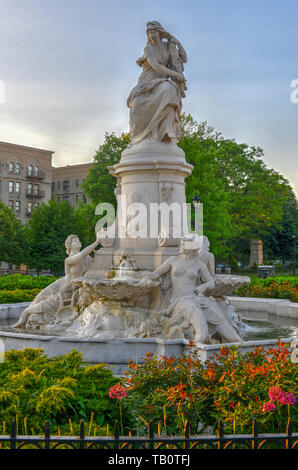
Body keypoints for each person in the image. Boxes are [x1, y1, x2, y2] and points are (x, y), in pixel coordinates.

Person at [144, 238, 242, 343]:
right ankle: (196, 347)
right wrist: (146, 279)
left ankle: (239, 343)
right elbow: (156, 273)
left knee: (215, 313)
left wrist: (202, 287)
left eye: (184, 244)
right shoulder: (173, 260)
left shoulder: (198, 264)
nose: (181, 246)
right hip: (179, 301)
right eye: (181, 243)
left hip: (196, 298)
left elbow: (211, 282)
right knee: (200, 329)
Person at [13, 234, 102, 328]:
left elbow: (93, 272)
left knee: (42, 304)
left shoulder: (87, 259)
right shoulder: (68, 260)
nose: (78, 241)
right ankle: (20, 322)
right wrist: (97, 241)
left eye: (78, 239)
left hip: (75, 290)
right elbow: (82, 254)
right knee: (39, 301)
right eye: (75, 240)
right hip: (62, 289)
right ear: (70, 246)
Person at [127, 21, 187, 145]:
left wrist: (176, 42)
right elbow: (156, 66)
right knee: (137, 104)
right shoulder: (148, 48)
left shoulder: (167, 46)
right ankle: (138, 140)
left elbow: (184, 58)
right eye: (149, 33)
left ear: (159, 33)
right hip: (147, 83)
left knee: (169, 90)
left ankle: (166, 132)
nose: (151, 35)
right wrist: (175, 74)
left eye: (153, 32)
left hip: (163, 82)